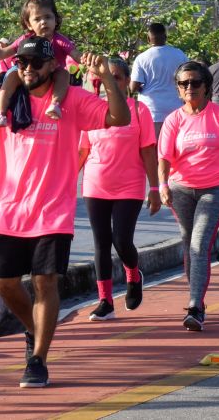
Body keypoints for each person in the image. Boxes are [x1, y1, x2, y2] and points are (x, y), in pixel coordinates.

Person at [0, 36, 130, 388]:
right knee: (3, 283)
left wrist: (106, 77)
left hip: (53, 210)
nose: (28, 69)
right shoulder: (6, 100)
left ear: (52, 66)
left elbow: (118, 118)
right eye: (22, 63)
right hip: (8, 209)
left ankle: (37, 360)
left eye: (36, 63)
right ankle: (35, 329)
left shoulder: (72, 100)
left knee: (45, 282)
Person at [158, 61, 219, 331]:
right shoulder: (174, 120)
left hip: (214, 189)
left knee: (199, 244)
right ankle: (195, 295)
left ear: (207, 87)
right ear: (178, 89)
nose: (190, 88)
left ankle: (196, 306)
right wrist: (162, 186)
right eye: (184, 83)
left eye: (196, 83)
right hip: (180, 190)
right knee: (189, 244)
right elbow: (163, 158)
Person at [78, 57, 161, 321]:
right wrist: (66, 181)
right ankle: (105, 301)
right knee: (101, 243)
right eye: (107, 76)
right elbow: (82, 150)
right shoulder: (92, 110)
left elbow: (148, 151)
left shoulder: (138, 111)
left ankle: (133, 273)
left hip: (130, 185)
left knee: (121, 240)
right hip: (95, 184)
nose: (111, 81)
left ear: (127, 81)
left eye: (117, 77)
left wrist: (155, 187)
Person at [0, 0, 80, 127]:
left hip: (53, 71)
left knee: (64, 74)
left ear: (56, 20)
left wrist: (88, 59)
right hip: (26, 73)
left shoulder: (59, 40)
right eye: (37, 19)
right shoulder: (25, 40)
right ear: (29, 24)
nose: (43, 22)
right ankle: (0, 113)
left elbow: (75, 54)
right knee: (12, 75)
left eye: (48, 17)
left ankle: (55, 104)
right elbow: (3, 52)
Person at [130, 23, 189, 137]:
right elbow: (188, 77)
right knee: (176, 150)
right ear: (165, 37)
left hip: (151, 112)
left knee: (153, 150)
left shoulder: (141, 58)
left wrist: (143, 88)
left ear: (148, 39)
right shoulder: (179, 54)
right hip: (176, 110)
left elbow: (133, 88)